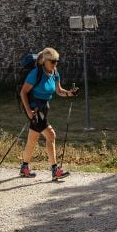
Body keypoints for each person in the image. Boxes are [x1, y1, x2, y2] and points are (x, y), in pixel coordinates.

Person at [18, 47, 78, 180]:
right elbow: (23, 92)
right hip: (35, 109)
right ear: (44, 61)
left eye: (57, 61)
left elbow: (59, 90)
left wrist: (70, 93)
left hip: (45, 108)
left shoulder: (55, 73)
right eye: (52, 61)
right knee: (51, 135)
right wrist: (28, 110)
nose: (55, 64)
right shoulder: (36, 73)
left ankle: (24, 167)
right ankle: (55, 170)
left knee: (32, 140)